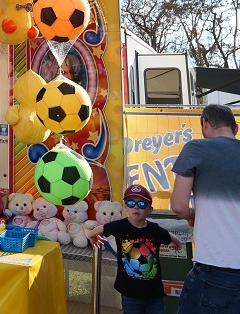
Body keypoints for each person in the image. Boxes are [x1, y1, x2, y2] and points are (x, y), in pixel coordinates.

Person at [171, 104, 240, 313]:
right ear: (235, 129)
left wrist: (192, 215)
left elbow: (178, 205)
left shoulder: (196, 149)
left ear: (205, 123)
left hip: (214, 267)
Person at [85, 184, 181, 314]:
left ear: (150, 210)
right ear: (125, 208)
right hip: (130, 294)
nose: (136, 207)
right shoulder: (119, 226)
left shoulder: (154, 229)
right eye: (131, 203)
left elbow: (169, 236)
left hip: (154, 294)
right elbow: (97, 230)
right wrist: (93, 237)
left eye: (142, 204)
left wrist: (178, 243)